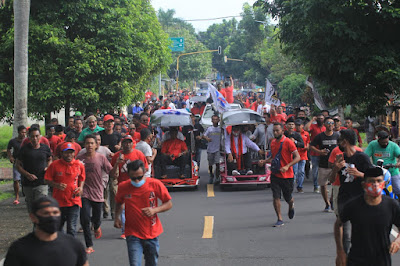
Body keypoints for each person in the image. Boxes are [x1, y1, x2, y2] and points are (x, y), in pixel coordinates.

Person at [334, 167, 400, 266]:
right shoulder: (353, 205)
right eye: (371, 181)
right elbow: (338, 224)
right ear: (364, 185)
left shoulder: (391, 205)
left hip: (382, 260)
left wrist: (397, 241)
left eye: (379, 181)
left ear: (384, 184)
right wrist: (340, 251)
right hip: (357, 260)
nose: (376, 185)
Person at [114, 160, 172, 266]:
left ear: (145, 172)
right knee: (134, 263)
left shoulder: (155, 184)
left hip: (151, 233)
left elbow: (168, 203)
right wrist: (116, 217)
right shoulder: (123, 187)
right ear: (128, 175)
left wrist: (155, 210)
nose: (136, 181)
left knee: (152, 262)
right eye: (133, 178)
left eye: (139, 177)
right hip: (132, 232)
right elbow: (118, 202)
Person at [4, 196, 88, 266]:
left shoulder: (74, 245)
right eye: (46, 213)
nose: (52, 217)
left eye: (55, 213)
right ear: (33, 217)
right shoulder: (19, 249)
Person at [331, 129, 372, 255]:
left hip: (360, 199)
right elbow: (331, 180)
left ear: (345, 142)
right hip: (345, 199)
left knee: (361, 232)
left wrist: (360, 174)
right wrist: (335, 169)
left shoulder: (362, 157)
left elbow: (373, 178)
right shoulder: (340, 158)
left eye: (339, 141)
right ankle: (346, 257)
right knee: (346, 233)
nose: (337, 143)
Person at [259, 123, 300, 227]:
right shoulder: (272, 143)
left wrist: (287, 166)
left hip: (287, 176)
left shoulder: (288, 142)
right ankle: (279, 218)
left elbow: (297, 157)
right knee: (276, 196)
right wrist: (265, 161)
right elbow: (273, 157)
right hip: (275, 174)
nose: (275, 132)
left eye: (277, 130)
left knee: (288, 198)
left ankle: (291, 204)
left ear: (282, 131)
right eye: (274, 131)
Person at [77, 135, 112, 254]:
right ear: (84, 145)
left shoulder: (101, 158)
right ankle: (89, 244)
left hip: (98, 191)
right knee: (85, 218)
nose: (90, 145)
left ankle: (97, 226)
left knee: (97, 217)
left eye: (92, 143)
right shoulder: (80, 158)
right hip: (84, 191)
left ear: (96, 145)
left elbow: (110, 170)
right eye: (87, 143)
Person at [45, 142, 85, 236]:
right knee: (58, 227)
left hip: (74, 200)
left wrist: (81, 187)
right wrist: (56, 185)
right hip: (59, 201)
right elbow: (47, 179)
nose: (69, 155)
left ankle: (70, 249)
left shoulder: (79, 164)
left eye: (71, 152)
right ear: (62, 153)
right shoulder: (54, 165)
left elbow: (82, 178)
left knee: (71, 227)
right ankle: (61, 246)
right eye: (66, 152)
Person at [16, 127, 52, 213]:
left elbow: (50, 159)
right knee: (31, 209)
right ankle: (36, 225)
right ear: (28, 137)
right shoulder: (24, 149)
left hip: (42, 182)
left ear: (40, 136)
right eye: (32, 136)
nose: (35, 138)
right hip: (28, 184)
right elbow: (18, 165)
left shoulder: (45, 148)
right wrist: (27, 174)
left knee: (42, 206)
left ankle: (40, 225)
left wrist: (48, 167)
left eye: (36, 136)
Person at [310, 117, 339, 212]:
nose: (330, 124)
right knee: (323, 185)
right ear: (325, 125)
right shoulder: (320, 136)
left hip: (335, 165)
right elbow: (311, 146)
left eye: (332, 123)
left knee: (336, 185)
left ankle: (332, 201)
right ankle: (327, 203)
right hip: (323, 164)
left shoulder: (337, 136)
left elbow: (342, 147)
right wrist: (319, 151)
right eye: (328, 123)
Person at [365, 131, 400, 198]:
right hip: (378, 172)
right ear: (378, 140)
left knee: (398, 189)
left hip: (393, 172)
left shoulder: (393, 145)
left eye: (387, 142)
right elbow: (365, 156)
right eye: (383, 143)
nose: (385, 144)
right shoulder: (372, 145)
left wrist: (398, 162)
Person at [305, 113, 326, 193]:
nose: (320, 120)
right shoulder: (313, 126)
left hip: (324, 152)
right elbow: (306, 128)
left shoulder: (325, 127)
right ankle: (316, 186)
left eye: (322, 118)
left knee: (324, 170)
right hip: (314, 152)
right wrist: (312, 120)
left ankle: (323, 186)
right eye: (319, 118)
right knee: (315, 170)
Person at [7, 125, 27, 205]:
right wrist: (11, 157)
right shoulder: (13, 141)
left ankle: (26, 195)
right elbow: (8, 149)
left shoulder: (27, 141)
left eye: (25, 132)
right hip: (16, 162)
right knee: (16, 179)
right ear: (18, 132)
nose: (23, 134)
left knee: (25, 179)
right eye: (22, 132)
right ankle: (17, 196)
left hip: (26, 162)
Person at [203, 115, 221, 184]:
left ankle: (217, 177)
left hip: (217, 149)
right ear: (212, 121)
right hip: (210, 149)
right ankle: (211, 175)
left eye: (216, 119)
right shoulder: (210, 129)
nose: (215, 121)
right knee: (210, 164)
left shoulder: (220, 129)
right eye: (214, 119)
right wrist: (207, 138)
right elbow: (204, 135)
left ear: (218, 120)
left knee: (217, 164)